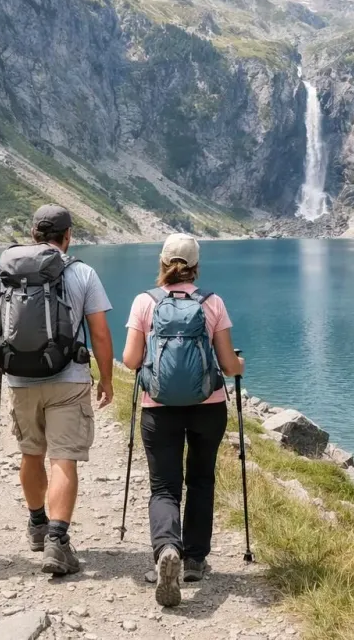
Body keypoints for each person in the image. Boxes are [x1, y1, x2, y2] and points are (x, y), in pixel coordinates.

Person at [0, 204, 114, 575]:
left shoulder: (6, 269)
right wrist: (106, 378)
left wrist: (10, 349)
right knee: (63, 458)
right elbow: (100, 333)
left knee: (30, 453)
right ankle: (58, 540)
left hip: (21, 379)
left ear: (33, 233)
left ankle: (37, 523)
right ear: (68, 235)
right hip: (67, 379)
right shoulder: (82, 272)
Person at [122, 233, 244, 607]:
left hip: (158, 408)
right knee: (202, 479)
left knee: (164, 486)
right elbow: (227, 364)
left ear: (162, 263)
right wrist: (240, 365)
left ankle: (165, 551)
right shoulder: (212, 303)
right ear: (196, 265)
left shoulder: (145, 302)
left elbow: (129, 359)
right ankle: (193, 561)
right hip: (209, 407)